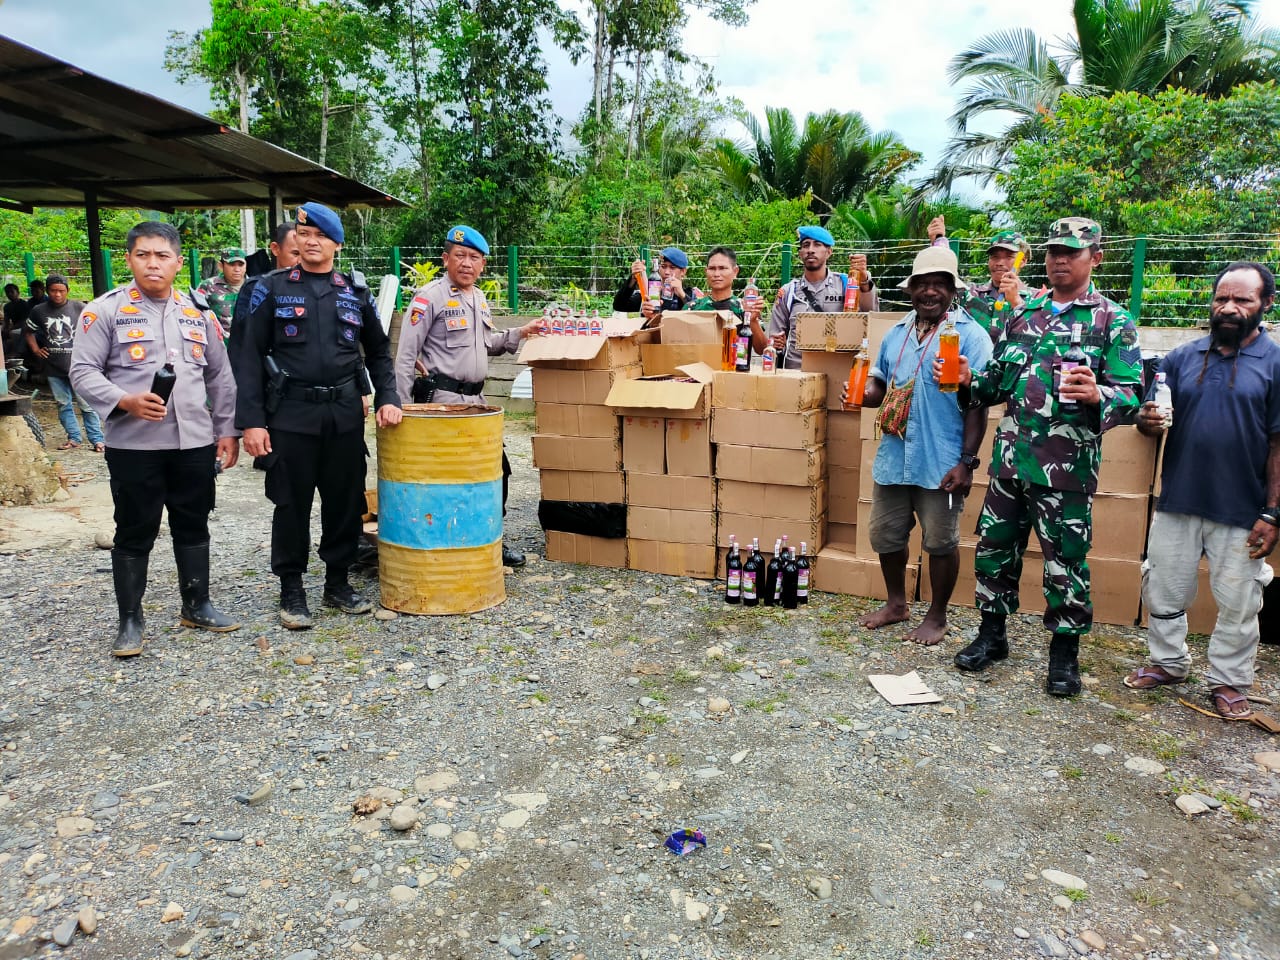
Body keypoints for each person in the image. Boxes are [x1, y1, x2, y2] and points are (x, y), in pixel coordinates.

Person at [941, 217, 1142, 697]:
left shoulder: (1113, 321)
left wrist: (1101, 396)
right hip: (1010, 461)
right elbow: (996, 382)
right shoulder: (1023, 313)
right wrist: (970, 379)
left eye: (1071, 252)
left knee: (1065, 563)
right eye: (1053, 251)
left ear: (1096, 257)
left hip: (1065, 470)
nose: (1059, 259)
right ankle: (992, 637)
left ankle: (1064, 655)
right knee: (993, 552)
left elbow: (1132, 395)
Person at [69, 221, 240, 657]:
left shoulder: (198, 313)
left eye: (162, 255)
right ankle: (130, 619)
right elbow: (83, 372)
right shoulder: (104, 311)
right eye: (143, 255)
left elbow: (220, 376)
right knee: (134, 529)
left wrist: (226, 431)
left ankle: (196, 603)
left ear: (179, 262)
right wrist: (124, 400)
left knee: (193, 522)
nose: (153, 263)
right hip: (134, 445)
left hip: (194, 443)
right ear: (128, 260)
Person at [1123, 262, 1280, 720]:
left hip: (1243, 508)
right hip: (1179, 499)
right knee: (1164, 589)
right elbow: (1151, 417)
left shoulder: (1275, 364)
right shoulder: (1183, 358)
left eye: (1242, 300)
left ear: (1265, 304)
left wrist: (1272, 513)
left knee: (1239, 599)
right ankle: (1169, 662)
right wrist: (1146, 422)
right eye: (1221, 299)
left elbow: (1278, 444)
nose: (1229, 308)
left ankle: (1230, 680)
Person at [237, 202, 402, 628]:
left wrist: (388, 397)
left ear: (337, 245)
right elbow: (248, 358)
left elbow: (379, 352)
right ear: (295, 241)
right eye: (305, 235)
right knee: (290, 504)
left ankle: (337, 583)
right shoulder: (269, 289)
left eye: (321, 237)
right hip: (290, 415)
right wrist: (252, 421)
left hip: (344, 414)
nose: (312, 243)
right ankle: (291, 589)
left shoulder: (355, 293)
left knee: (344, 503)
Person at [852, 246, 993, 644]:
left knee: (940, 541)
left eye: (939, 284)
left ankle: (938, 616)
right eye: (922, 284)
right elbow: (880, 386)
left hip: (941, 459)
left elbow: (978, 403)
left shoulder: (971, 337)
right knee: (886, 534)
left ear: (953, 290)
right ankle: (897, 604)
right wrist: (865, 392)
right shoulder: (896, 334)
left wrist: (967, 462)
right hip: (896, 456)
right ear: (910, 289)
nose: (930, 292)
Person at [394, 224, 545, 567]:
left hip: (476, 404)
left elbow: (486, 344)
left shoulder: (478, 297)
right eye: (460, 256)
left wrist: (521, 332)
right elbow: (405, 356)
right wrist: (401, 408)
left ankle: (490, 539)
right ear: (446, 259)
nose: (466, 263)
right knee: (445, 476)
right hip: (441, 403)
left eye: (474, 258)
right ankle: (444, 547)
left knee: (496, 471)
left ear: (483, 265)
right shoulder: (428, 298)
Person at [762, 225, 879, 369]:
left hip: (836, 370)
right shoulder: (789, 292)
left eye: (817, 244)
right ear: (800, 253)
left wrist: (863, 279)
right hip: (797, 371)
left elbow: (871, 314)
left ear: (829, 252)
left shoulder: (845, 284)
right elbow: (774, 340)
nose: (810, 249)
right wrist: (776, 342)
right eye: (806, 245)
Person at [25, 274, 104, 451]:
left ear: (68, 290)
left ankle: (97, 439)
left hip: (79, 368)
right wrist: (36, 350)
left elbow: (97, 329)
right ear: (47, 291)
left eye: (61, 291)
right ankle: (74, 438)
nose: (57, 294)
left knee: (87, 405)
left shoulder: (80, 308)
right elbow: (28, 332)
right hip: (53, 368)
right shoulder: (39, 311)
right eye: (53, 291)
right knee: (63, 404)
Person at [927, 216, 1033, 342]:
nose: (999, 263)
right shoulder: (971, 294)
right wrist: (939, 242)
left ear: (1022, 261)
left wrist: (1016, 302)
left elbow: (1038, 337)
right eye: (994, 257)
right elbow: (945, 280)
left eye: (1008, 257)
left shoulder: (1037, 300)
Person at [228, 222, 301, 374]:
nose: (301, 260)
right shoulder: (256, 289)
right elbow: (241, 347)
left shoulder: (321, 289)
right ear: (275, 249)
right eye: (295, 254)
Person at [612, 246, 693, 318]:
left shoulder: (689, 294)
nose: (667, 272)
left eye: (672, 268)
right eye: (663, 266)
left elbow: (698, 315)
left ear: (683, 271)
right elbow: (619, 306)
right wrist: (633, 278)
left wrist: (682, 295)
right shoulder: (650, 294)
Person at [197, 247, 248, 339]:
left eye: (241, 265)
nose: (237, 269)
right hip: (218, 346)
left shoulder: (255, 286)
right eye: (232, 264)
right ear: (221, 266)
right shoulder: (208, 286)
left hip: (248, 346)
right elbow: (195, 315)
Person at [3, 283, 28, 360]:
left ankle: (18, 353)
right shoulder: (7, 307)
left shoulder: (24, 304)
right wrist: (5, 328)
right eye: (7, 292)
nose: (9, 294)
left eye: (12, 292)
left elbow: (24, 321)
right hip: (14, 327)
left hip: (23, 326)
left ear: (18, 293)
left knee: (13, 332)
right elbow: (6, 320)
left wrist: (10, 328)